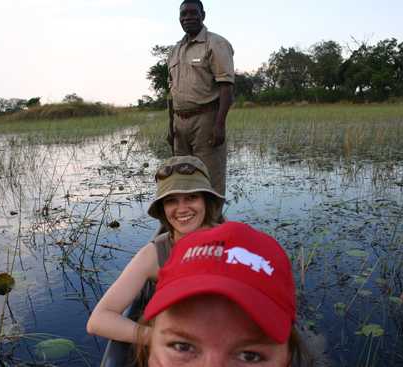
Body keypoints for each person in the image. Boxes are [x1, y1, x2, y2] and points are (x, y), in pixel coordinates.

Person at [86, 155, 224, 343]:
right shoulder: (155, 254)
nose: (181, 209)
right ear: (163, 208)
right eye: (171, 200)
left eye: (192, 197)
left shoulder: (232, 242)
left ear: (206, 202)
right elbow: (99, 320)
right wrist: (166, 341)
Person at [136, 221, 313, 367]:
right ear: (150, 350)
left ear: (287, 359)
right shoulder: (151, 253)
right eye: (181, 347)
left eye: (250, 356)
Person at [167, 0, 235, 196]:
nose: (188, 18)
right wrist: (170, 126)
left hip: (206, 120)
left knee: (210, 180)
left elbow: (226, 87)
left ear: (202, 15)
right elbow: (171, 92)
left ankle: (214, 225)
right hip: (180, 124)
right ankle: (191, 225)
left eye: (192, 13)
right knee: (183, 179)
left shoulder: (216, 43)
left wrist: (219, 125)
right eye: (183, 15)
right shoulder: (174, 50)